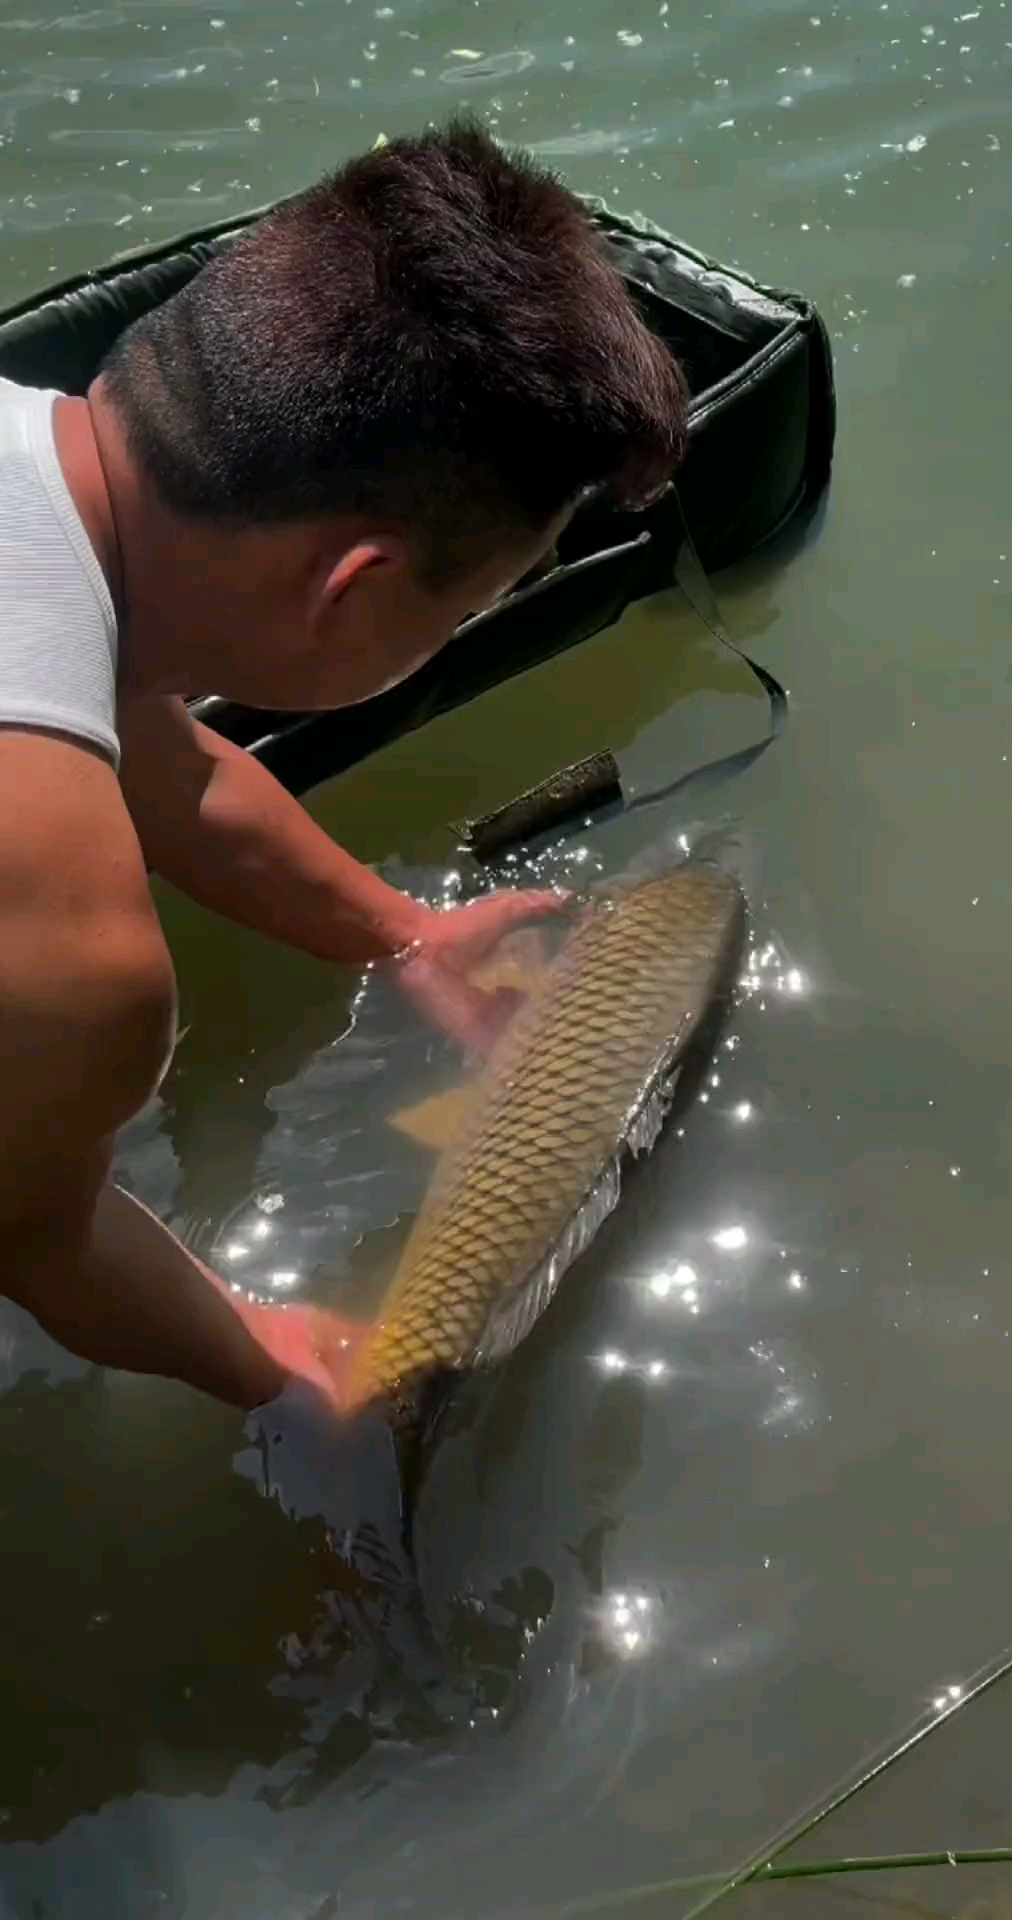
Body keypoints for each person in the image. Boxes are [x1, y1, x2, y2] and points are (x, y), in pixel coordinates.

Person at [0, 119, 688, 1415]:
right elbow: (39, 1240)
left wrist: (408, 936)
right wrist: (285, 1363)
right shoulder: (74, 951)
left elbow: (180, 777)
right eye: (465, 612)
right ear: (353, 590)